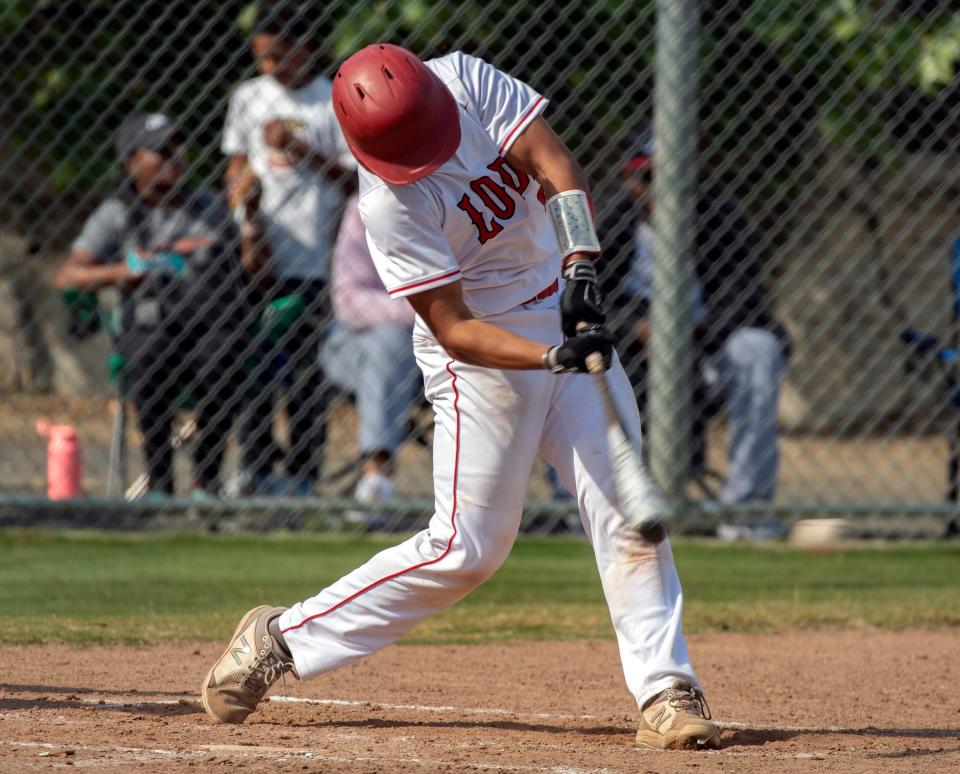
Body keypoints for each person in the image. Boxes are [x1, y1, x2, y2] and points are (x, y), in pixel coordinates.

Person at [201, 44, 719, 751]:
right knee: (466, 550)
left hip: (554, 302)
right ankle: (283, 637)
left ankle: (665, 688)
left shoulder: (465, 80)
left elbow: (553, 162)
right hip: (482, 358)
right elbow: (455, 329)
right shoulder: (386, 206)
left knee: (626, 511)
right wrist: (551, 355)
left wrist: (580, 264)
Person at [55, 113, 260, 496]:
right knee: (149, 356)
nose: (174, 158)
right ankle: (160, 483)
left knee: (227, 356)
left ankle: (205, 478)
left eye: (176, 149)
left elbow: (252, 268)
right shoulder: (117, 213)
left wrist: (251, 215)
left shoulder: (208, 206)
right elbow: (69, 275)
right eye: (160, 151)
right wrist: (122, 271)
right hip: (152, 326)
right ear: (131, 162)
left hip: (209, 324)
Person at [602, 136, 787, 503]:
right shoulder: (610, 220)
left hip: (706, 349)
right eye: (646, 178)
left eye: (669, 178)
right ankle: (593, 508)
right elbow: (584, 297)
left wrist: (686, 337)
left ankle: (745, 513)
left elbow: (742, 297)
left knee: (759, 349)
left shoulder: (720, 218)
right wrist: (633, 327)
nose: (656, 190)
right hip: (628, 355)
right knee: (573, 359)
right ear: (630, 181)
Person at [222, 1, 356, 494]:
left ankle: (301, 476)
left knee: (303, 376)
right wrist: (243, 193)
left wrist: (299, 149)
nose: (269, 69)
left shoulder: (331, 100)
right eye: (262, 58)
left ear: (305, 49)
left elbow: (351, 181)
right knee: (252, 367)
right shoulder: (248, 97)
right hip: (257, 257)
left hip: (313, 262)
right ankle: (256, 470)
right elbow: (234, 166)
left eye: (278, 57)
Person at [322, 194, 420, 522]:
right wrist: (430, 311)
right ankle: (377, 475)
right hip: (357, 347)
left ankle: (565, 488)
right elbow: (349, 302)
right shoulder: (363, 207)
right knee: (389, 344)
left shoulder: (459, 200)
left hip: (438, 348)